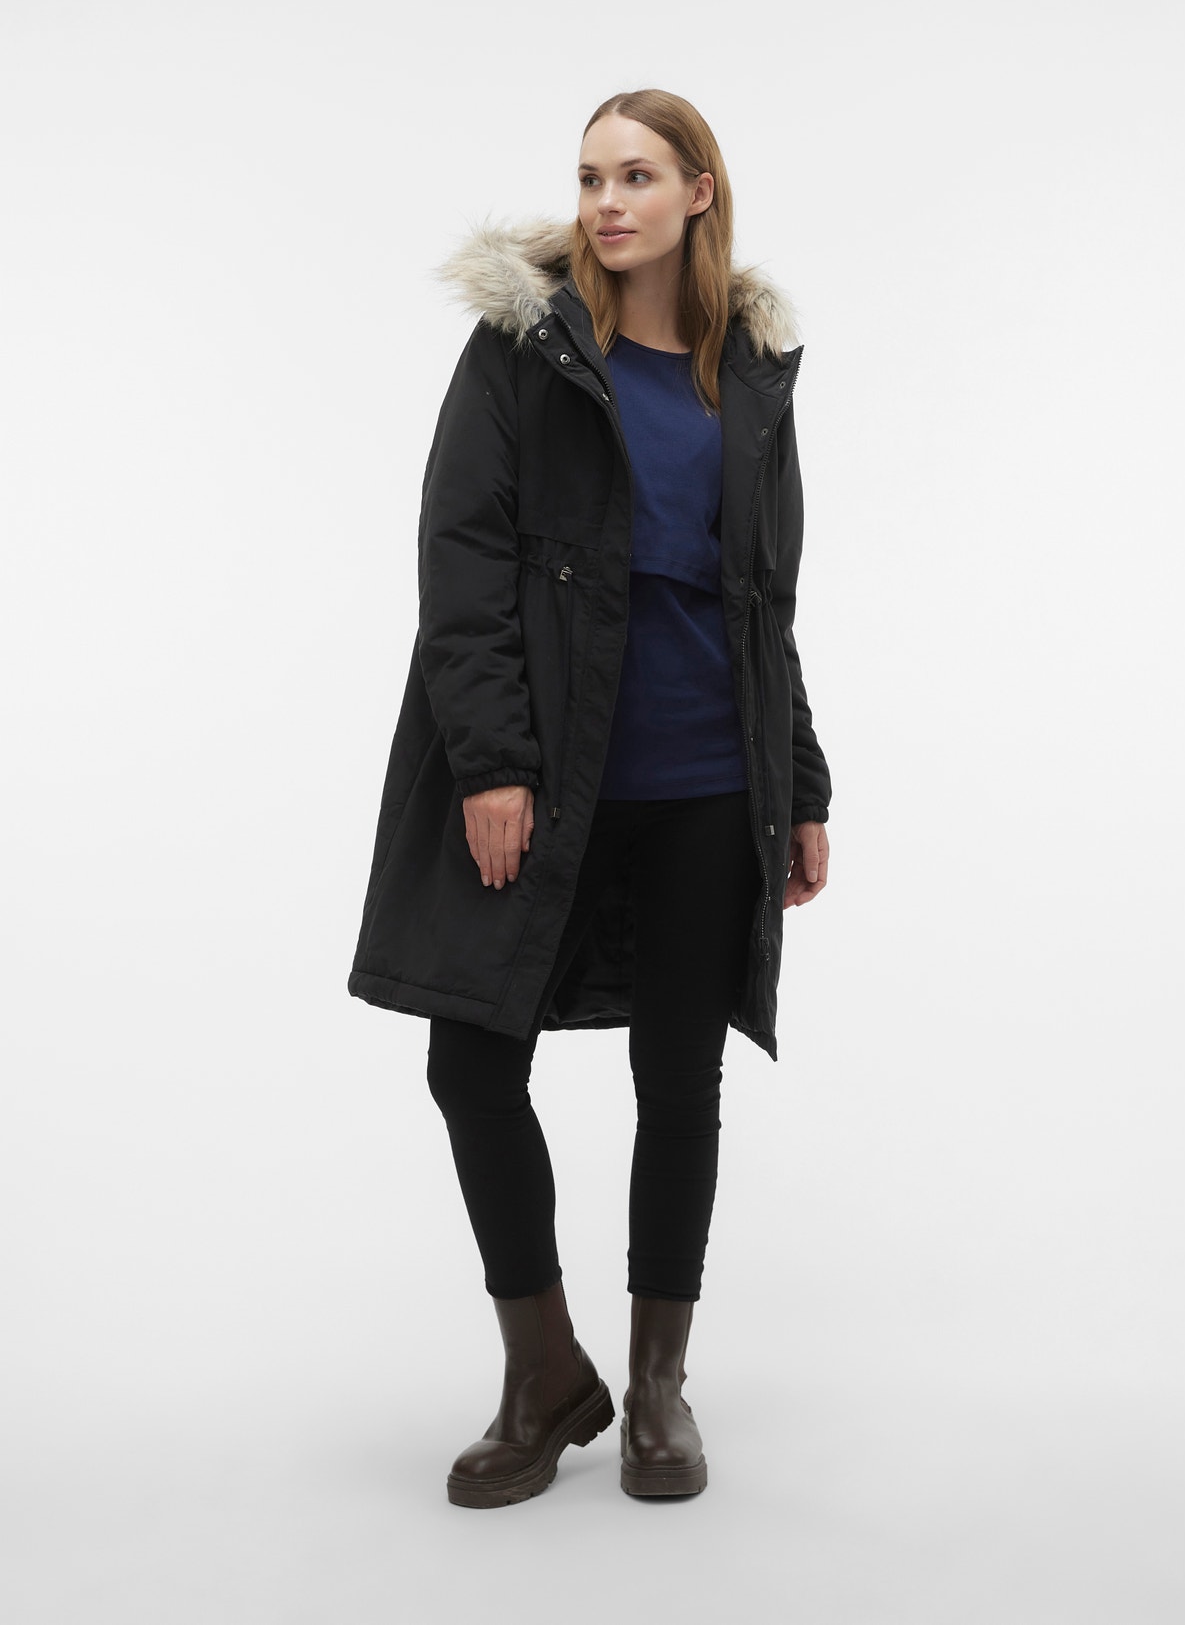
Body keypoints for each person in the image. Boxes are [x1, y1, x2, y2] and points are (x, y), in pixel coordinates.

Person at [347, 88, 831, 1508]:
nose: (605, 203)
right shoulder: (524, 348)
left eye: (635, 176)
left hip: (708, 779)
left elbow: (766, 603)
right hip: (548, 774)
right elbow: (461, 560)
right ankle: (544, 1370)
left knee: (678, 1079)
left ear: (698, 193)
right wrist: (493, 761)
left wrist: (800, 783)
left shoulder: (750, 374)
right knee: (470, 1064)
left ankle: (659, 1387)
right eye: (588, 177)